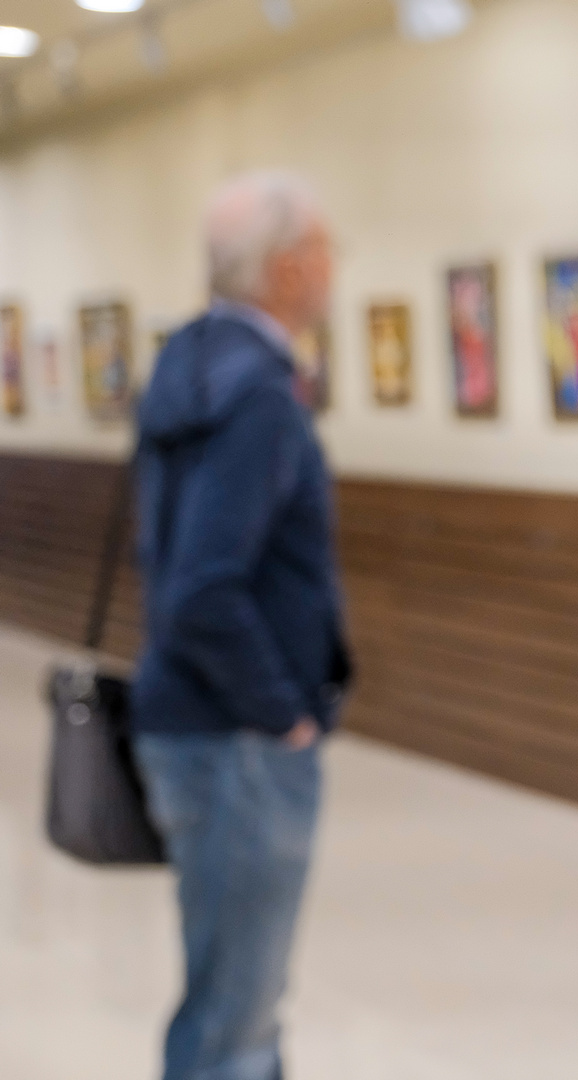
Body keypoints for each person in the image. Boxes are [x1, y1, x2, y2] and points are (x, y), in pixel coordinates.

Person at [131, 170, 350, 1080]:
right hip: (237, 744)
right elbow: (204, 588)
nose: (336, 268)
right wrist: (282, 714)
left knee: (225, 1000)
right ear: (288, 267)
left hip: (193, 728)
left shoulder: (189, 362)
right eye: (327, 250)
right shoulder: (258, 394)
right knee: (239, 1021)